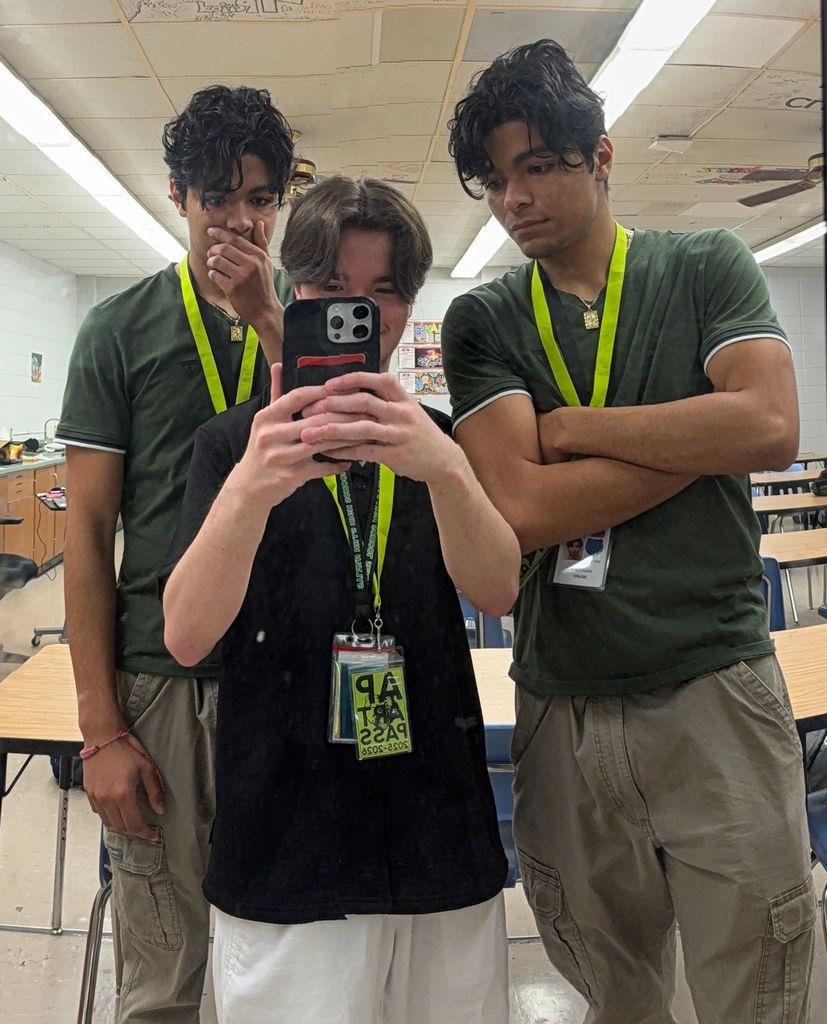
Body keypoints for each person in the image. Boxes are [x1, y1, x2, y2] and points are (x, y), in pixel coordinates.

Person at [441, 39, 815, 1024]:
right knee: (614, 990)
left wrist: (570, 430)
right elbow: (518, 508)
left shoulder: (703, 267)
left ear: (598, 158)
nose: (512, 198)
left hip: (712, 687)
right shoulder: (482, 319)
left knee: (755, 981)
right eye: (493, 180)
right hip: (561, 703)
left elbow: (769, 429)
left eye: (536, 166)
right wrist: (695, 430)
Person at [161, 175, 520, 1024]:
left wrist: (444, 469)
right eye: (331, 292)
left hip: (436, 827)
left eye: (385, 293)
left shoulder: (439, 441)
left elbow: (498, 586)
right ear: (292, 294)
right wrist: (250, 490)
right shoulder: (230, 445)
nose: (361, 315)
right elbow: (184, 637)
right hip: (286, 837)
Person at [56, 85, 294, 1022]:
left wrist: (275, 318)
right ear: (178, 197)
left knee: (285, 950)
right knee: (164, 971)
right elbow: (85, 535)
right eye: (216, 195)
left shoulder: (306, 324)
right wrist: (100, 730)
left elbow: (358, 468)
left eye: (262, 198)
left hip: (285, 675)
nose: (239, 218)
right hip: (160, 686)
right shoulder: (120, 331)